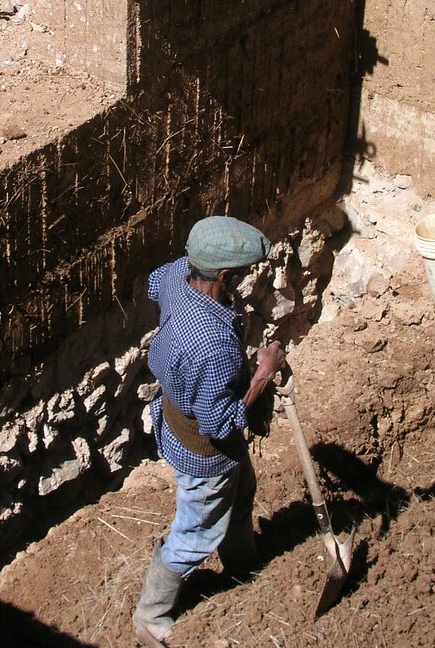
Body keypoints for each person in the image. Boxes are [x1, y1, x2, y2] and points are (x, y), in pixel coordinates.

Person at [132, 216, 286, 647]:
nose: (243, 281)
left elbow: (152, 283)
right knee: (195, 531)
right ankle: (150, 617)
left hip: (181, 411)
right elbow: (220, 424)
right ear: (223, 276)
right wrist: (263, 374)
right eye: (238, 276)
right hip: (206, 451)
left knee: (242, 491)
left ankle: (241, 562)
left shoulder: (178, 276)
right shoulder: (213, 344)